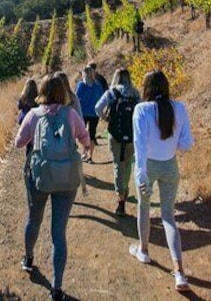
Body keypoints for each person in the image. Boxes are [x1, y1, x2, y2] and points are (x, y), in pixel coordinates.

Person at [15, 74, 91, 301]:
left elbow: (19, 143)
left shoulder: (33, 115)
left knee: (34, 218)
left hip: (40, 176)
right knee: (59, 233)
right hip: (67, 179)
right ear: (62, 92)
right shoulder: (71, 115)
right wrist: (85, 146)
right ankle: (57, 288)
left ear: (43, 92)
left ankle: (28, 259)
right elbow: (85, 139)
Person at [130, 70, 194, 292]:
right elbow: (187, 144)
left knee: (144, 209)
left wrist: (141, 174)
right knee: (169, 216)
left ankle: (144, 251)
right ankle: (179, 272)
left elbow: (138, 146)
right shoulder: (179, 108)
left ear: (146, 88)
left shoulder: (141, 110)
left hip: (147, 165)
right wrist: (171, 143)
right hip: (170, 165)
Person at [94, 67, 140, 216]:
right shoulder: (135, 93)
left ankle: (120, 199)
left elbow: (97, 108)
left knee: (117, 165)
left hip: (115, 134)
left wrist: (107, 118)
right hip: (132, 134)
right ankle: (125, 189)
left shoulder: (111, 93)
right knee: (127, 164)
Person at [76, 65, 104, 162]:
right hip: (94, 113)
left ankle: (84, 152)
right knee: (92, 134)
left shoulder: (81, 85)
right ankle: (90, 156)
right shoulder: (98, 86)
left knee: (83, 133)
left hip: (83, 112)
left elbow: (76, 98)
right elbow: (101, 98)